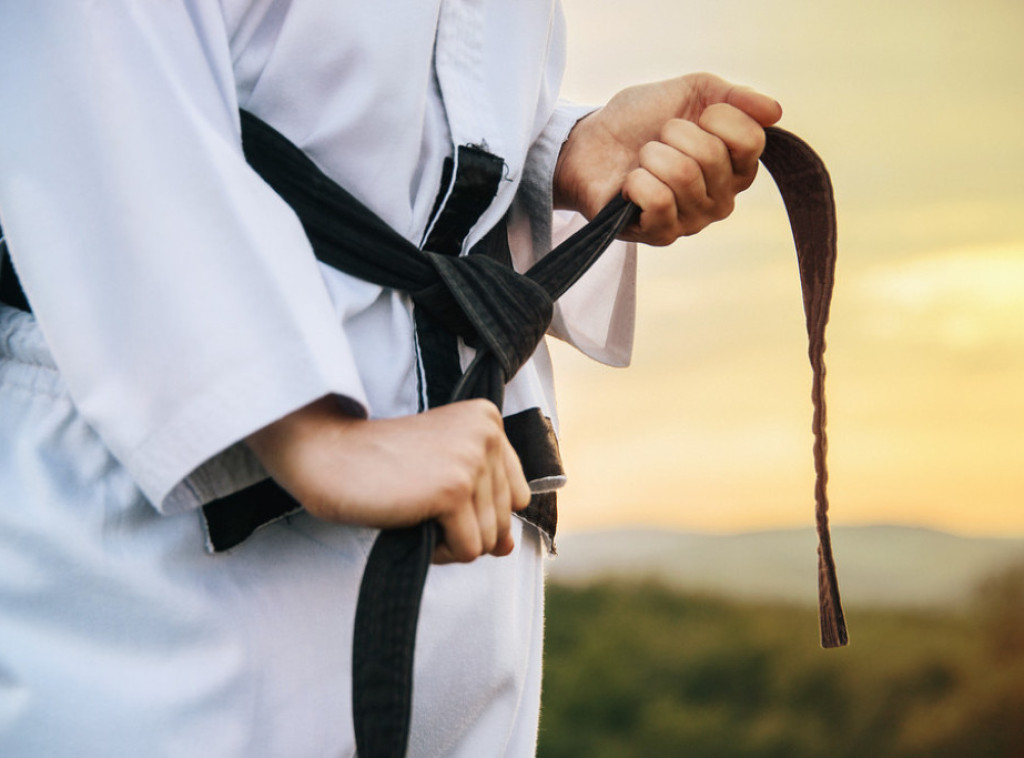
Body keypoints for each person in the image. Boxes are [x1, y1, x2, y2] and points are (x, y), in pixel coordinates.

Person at [0, 2, 780, 755]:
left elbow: (375, 86)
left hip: (467, 492)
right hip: (172, 536)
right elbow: (74, 53)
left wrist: (554, 153)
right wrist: (305, 430)